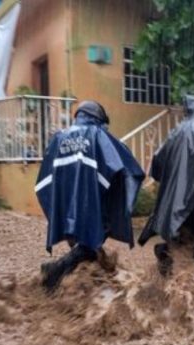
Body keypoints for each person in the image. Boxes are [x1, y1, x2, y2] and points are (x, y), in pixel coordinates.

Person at [35, 101, 145, 293]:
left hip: (65, 208)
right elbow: (128, 167)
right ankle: (54, 272)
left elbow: (43, 182)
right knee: (88, 247)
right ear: (98, 119)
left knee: (87, 252)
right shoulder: (97, 135)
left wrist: (58, 211)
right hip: (89, 206)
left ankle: (76, 293)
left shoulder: (58, 138)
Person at [138, 95, 194, 275]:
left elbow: (157, 162)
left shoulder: (176, 132)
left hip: (176, 199)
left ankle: (170, 275)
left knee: (179, 235)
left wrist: (169, 182)